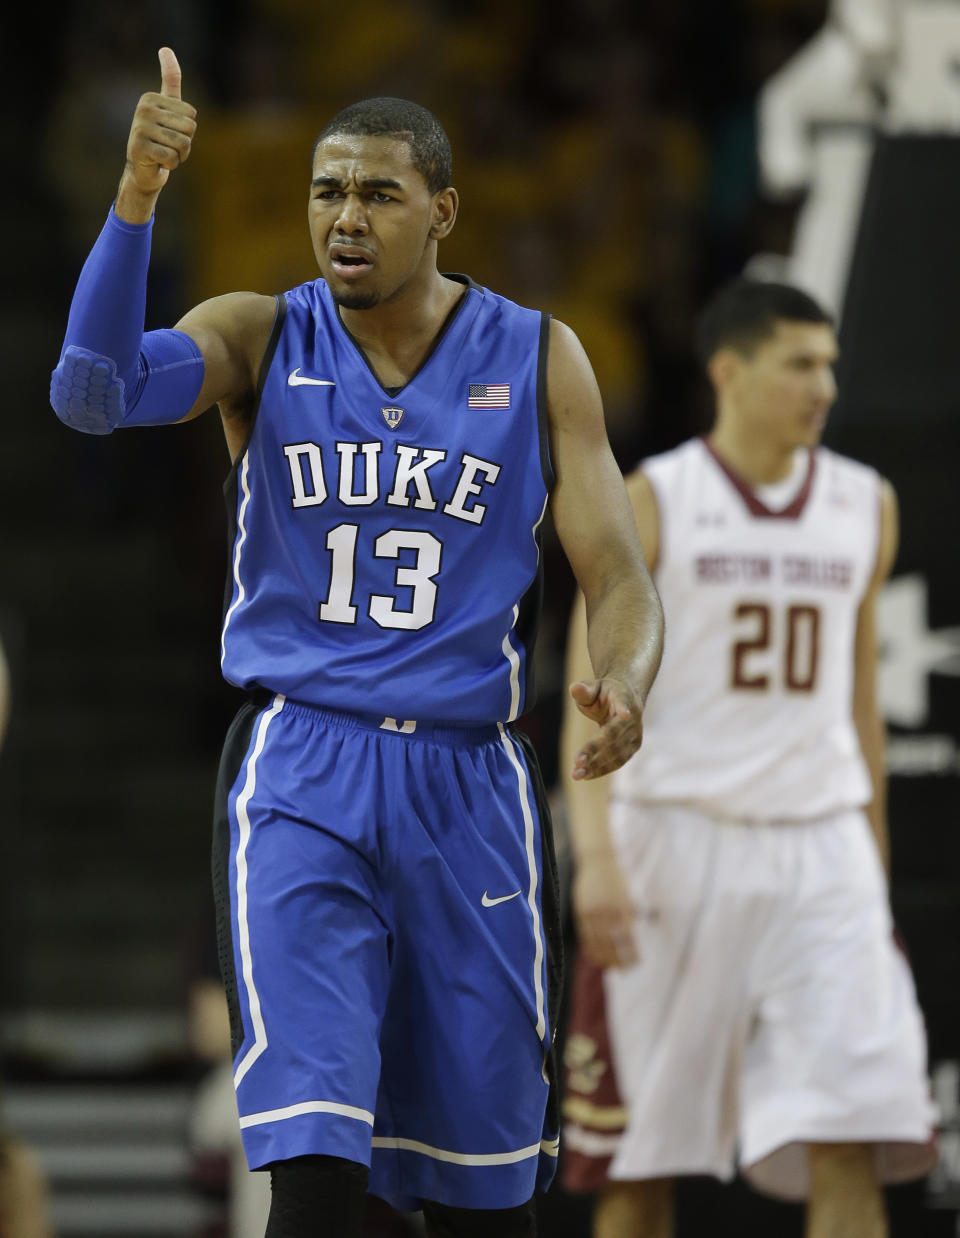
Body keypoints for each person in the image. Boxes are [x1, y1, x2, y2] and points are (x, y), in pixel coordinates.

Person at [49, 48, 664, 1238]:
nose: (344, 216)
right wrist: (136, 198)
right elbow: (90, 391)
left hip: (471, 780)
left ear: (440, 211)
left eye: (377, 194)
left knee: (487, 1197)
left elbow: (618, 569)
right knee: (317, 1172)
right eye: (327, 192)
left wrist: (627, 675)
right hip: (305, 770)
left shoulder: (539, 354)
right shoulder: (261, 336)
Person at [559, 278, 937, 1238]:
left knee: (851, 1132)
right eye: (801, 364)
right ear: (730, 370)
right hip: (674, 845)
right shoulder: (654, 498)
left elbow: (860, 709)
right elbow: (587, 693)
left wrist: (873, 861)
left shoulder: (866, 504)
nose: (824, 386)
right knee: (639, 1161)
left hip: (821, 851)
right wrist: (596, 855)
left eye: (831, 366)